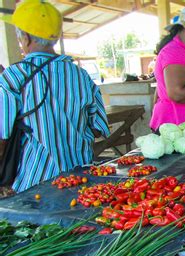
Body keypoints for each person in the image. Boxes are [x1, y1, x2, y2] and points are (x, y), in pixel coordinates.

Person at [0, 0, 110, 192]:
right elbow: (98, 128)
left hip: (35, 185)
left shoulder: (13, 77)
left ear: (25, 38)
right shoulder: (81, 76)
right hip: (82, 180)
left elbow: (2, 137)